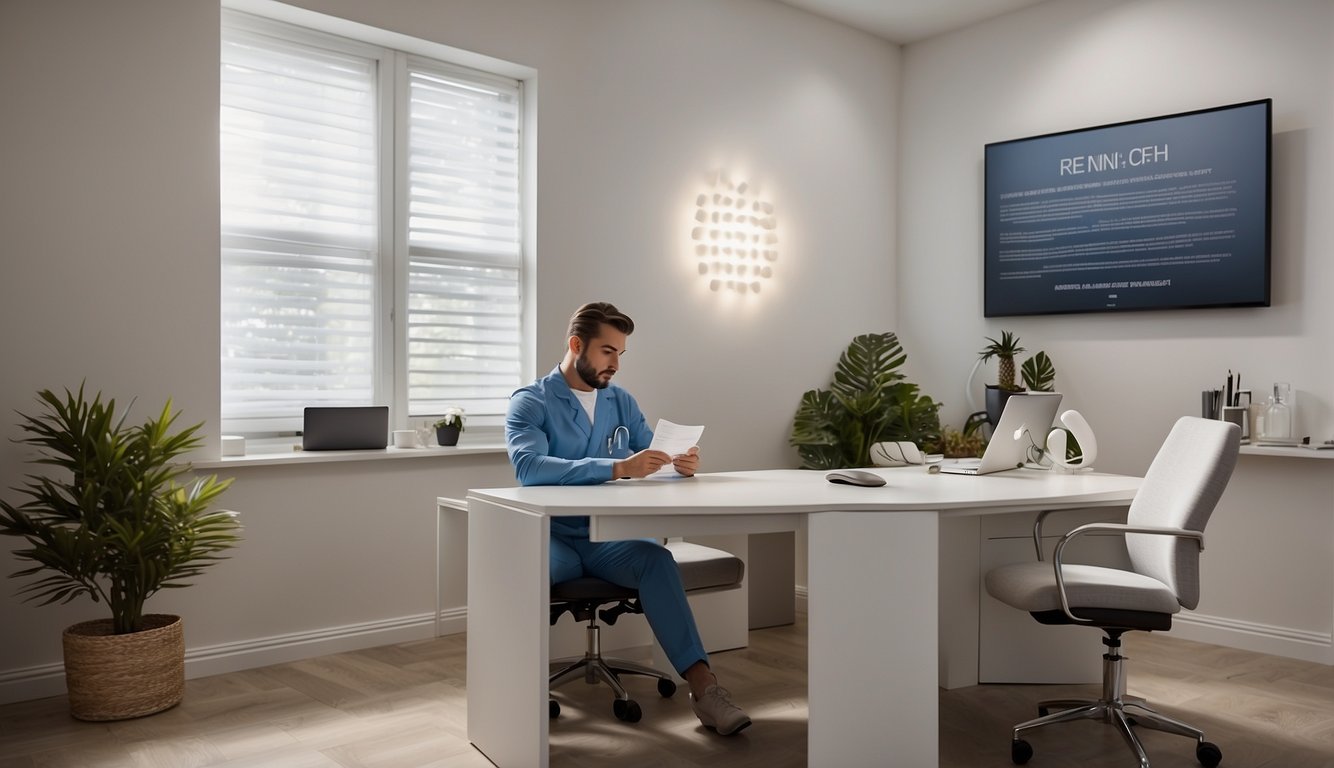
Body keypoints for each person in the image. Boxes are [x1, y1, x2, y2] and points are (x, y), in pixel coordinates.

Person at [505, 301, 752, 736]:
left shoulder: (621, 401)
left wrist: (679, 463)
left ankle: (706, 691)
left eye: (621, 353)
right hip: (554, 537)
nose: (616, 363)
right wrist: (615, 467)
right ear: (576, 344)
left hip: (608, 539)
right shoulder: (531, 401)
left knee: (657, 561)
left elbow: (649, 454)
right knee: (527, 568)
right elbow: (530, 467)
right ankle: (511, 688)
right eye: (607, 351)